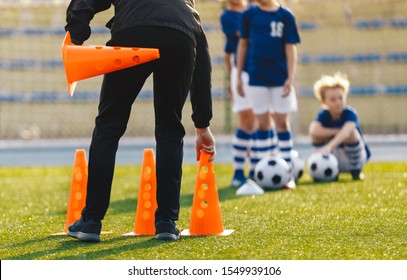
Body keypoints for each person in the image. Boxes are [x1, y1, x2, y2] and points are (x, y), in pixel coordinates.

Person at [64, 0, 216, 242]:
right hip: (179, 38)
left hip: (133, 32)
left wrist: (76, 35)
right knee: (170, 128)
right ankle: (166, 222)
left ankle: (91, 221)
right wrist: (202, 124)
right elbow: (201, 58)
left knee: (108, 126)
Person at [236, 0, 300, 188]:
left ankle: (288, 173)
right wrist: (239, 75)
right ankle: (263, 173)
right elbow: (243, 45)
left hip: (280, 78)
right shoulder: (249, 15)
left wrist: (290, 76)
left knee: (282, 123)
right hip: (256, 77)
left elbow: (290, 47)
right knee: (262, 124)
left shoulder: (286, 16)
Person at [220, 0, 257, 188]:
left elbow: (227, 54)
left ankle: (256, 170)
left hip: (260, 70)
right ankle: (239, 172)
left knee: (260, 122)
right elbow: (248, 36)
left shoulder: (252, 9)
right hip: (244, 73)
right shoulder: (228, 16)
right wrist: (233, 80)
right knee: (247, 121)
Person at [309, 72, 371, 180]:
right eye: (333, 100)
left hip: (353, 157)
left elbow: (347, 131)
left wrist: (329, 146)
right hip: (334, 156)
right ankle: (328, 169)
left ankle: (356, 170)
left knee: (352, 133)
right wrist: (336, 132)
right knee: (316, 135)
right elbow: (313, 131)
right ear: (324, 101)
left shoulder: (350, 113)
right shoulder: (324, 114)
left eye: (340, 98)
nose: (338, 102)